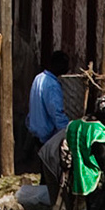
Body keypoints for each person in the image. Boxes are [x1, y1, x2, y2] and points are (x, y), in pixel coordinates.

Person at [28, 51, 72, 184]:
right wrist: (67, 131)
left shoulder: (39, 78)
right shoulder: (52, 84)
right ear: (57, 64)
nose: (68, 68)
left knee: (44, 170)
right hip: (47, 135)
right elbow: (56, 112)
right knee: (51, 172)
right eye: (65, 65)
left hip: (36, 131)